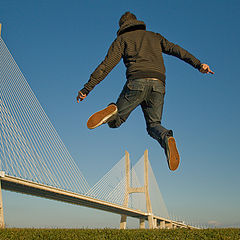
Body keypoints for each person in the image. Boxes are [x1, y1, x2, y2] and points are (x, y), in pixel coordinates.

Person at [77, 12, 214, 171]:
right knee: (154, 125)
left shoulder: (122, 39)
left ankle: (113, 110)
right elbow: (178, 50)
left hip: (136, 83)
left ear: (122, 26)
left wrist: (87, 88)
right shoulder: (154, 36)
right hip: (158, 85)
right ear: (137, 22)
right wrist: (199, 65)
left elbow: (106, 66)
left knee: (115, 122)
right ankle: (166, 137)